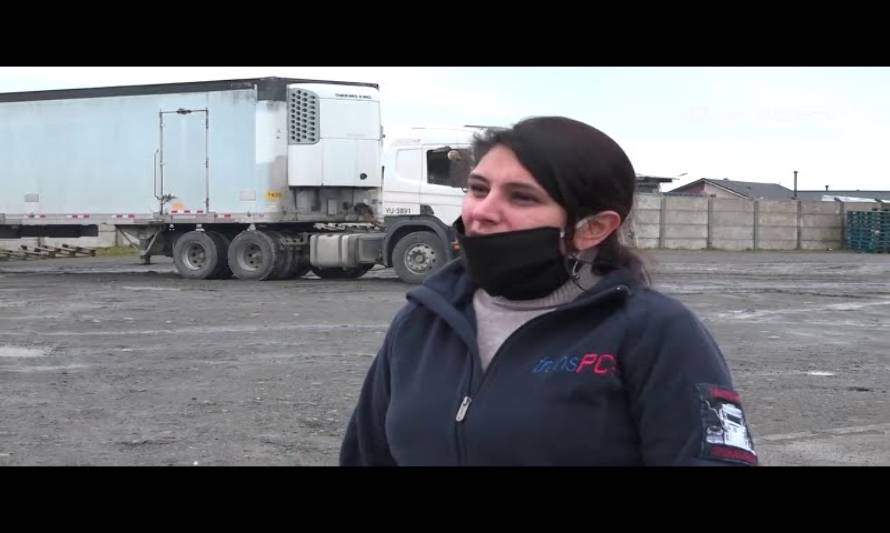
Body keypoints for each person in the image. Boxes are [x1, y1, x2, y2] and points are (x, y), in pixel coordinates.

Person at [340, 116, 757, 466]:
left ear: (592, 228)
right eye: (478, 188)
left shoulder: (656, 331)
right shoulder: (423, 320)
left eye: (521, 197)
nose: (483, 211)